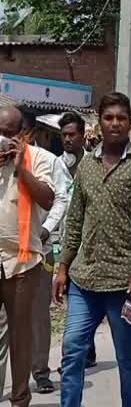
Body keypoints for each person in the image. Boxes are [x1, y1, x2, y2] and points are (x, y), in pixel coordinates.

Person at [55, 92, 131, 407]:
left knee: (127, 357)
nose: (115, 124)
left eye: (121, 118)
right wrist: (62, 267)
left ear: (130, 123)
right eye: (109, 117)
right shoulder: (86, 165)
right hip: (84, 280)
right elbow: (74, 220)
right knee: (72, 348)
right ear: (99, 122)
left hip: (123, 284)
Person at [0, 105, 54, 407]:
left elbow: (47, 197)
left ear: (24, 134)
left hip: (22, 263)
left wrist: (22, 169)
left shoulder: (41, 159)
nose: (3, 140)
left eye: (9, 134)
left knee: (21, 338)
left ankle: (20, 399)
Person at [30, 112, 87, 394]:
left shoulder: (93, 164)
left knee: (76, 305)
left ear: (83, 136)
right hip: (53, 245)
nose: (67, 139)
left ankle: (72, 357)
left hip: (84, 245)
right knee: (45, 304)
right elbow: (58, 200)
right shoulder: (53, 164)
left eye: (72, 135)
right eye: (62, 135)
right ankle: (42, 368)